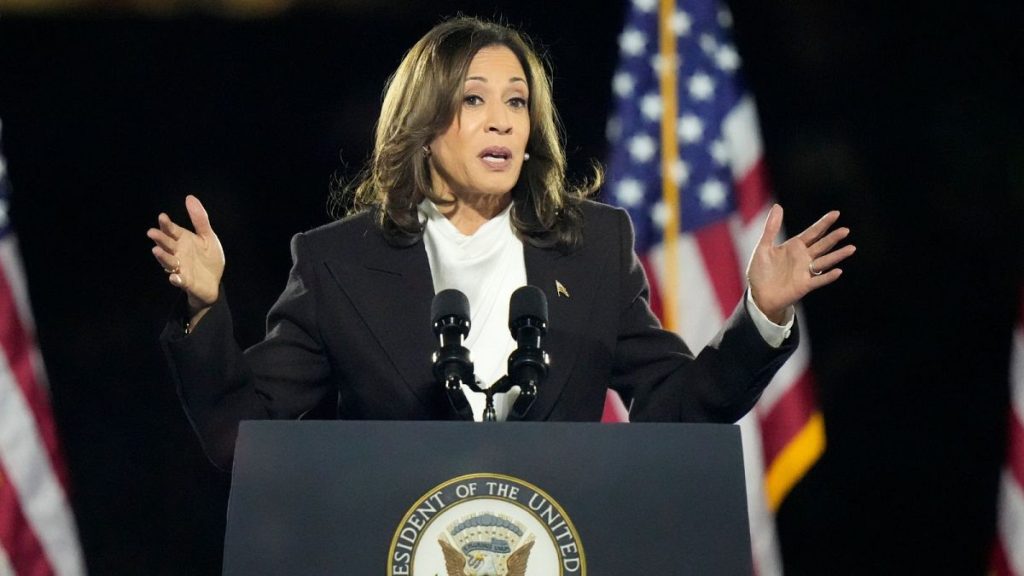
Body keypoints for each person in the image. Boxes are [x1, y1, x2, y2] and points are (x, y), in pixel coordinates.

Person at [148, 17, 854, 471]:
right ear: (425, 125)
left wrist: (759, 315)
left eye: (516, 102)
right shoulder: (337, 263)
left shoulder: (594, 246)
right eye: (474, 100)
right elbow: (243, 438)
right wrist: (207, 309)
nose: (501, 122)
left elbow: (677, 406)